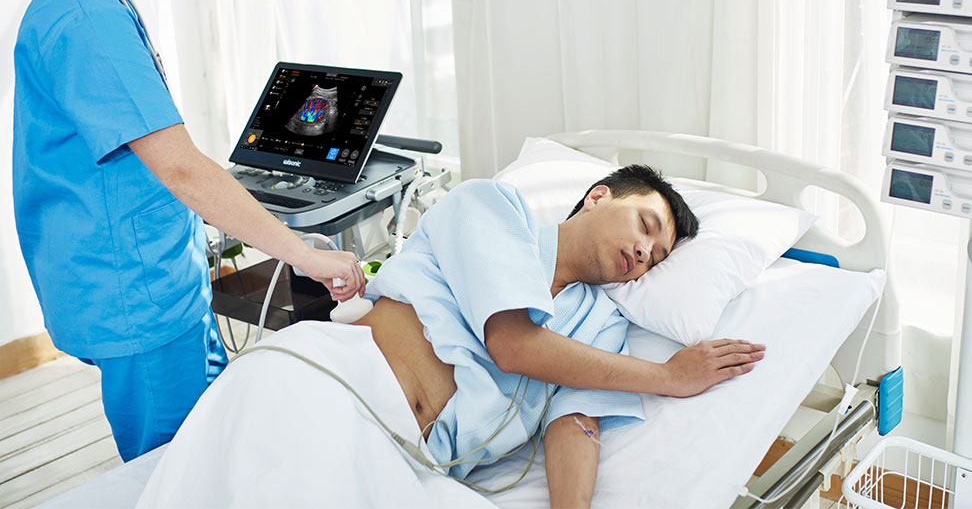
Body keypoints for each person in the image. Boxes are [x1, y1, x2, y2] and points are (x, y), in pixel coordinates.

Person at [12, 0, 366, 463]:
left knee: (216, 448)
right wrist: (302, 256)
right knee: (174, 472)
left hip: (158, 281)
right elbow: (179, 168)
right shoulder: (88, 16)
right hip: (134, 292)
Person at [136, 166, 764, 509]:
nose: (645, 252)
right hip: (328, 387)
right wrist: (669, 377)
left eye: (657, 256)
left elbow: (576, 422)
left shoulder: (602, 325)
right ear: (599, 197)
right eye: (646, 225)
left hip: (413, 459)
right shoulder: (494, 209)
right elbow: (512, 344)